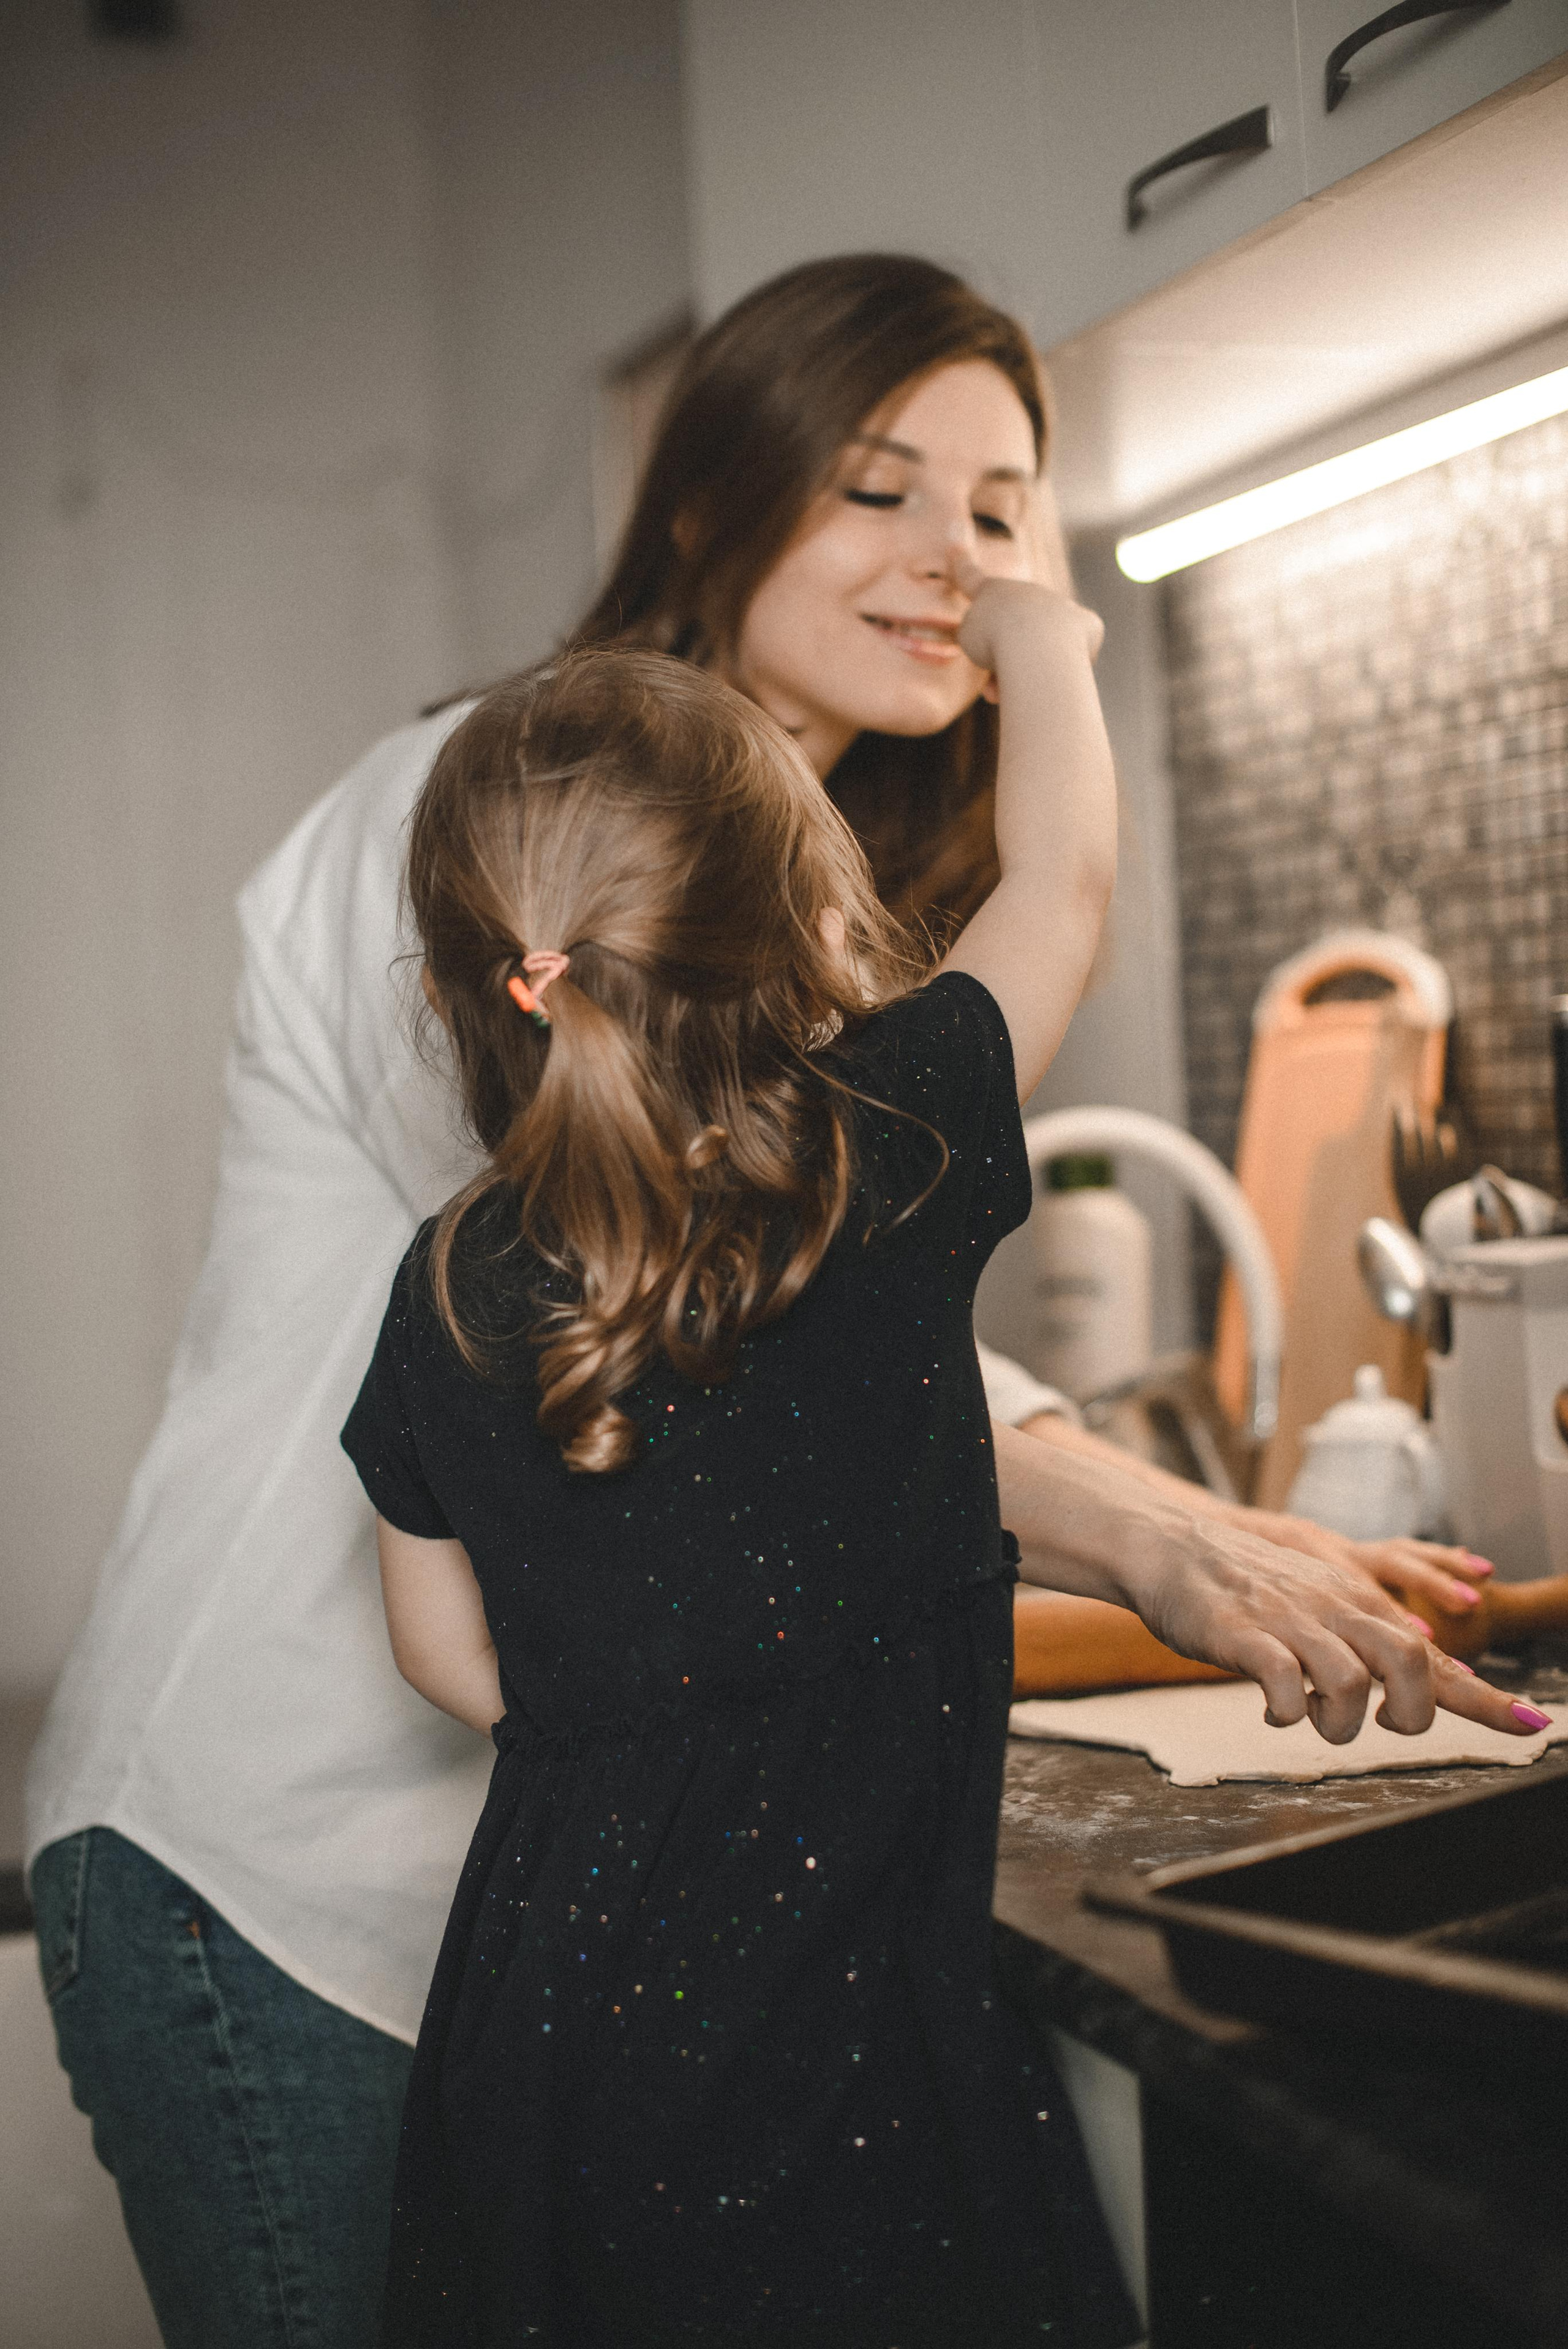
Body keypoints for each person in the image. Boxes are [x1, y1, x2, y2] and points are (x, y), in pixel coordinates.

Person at [25, 254, 1528, 2349]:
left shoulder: (771, 911)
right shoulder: (497, 811)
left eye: (1006, 511)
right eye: (882, 489)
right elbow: (710, 1312)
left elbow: (794, 1288)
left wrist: (1171, 1517)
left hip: (544, 1919)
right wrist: (1153, 1522)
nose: (958, 560)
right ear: (715, 504)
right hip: (282, 1892)